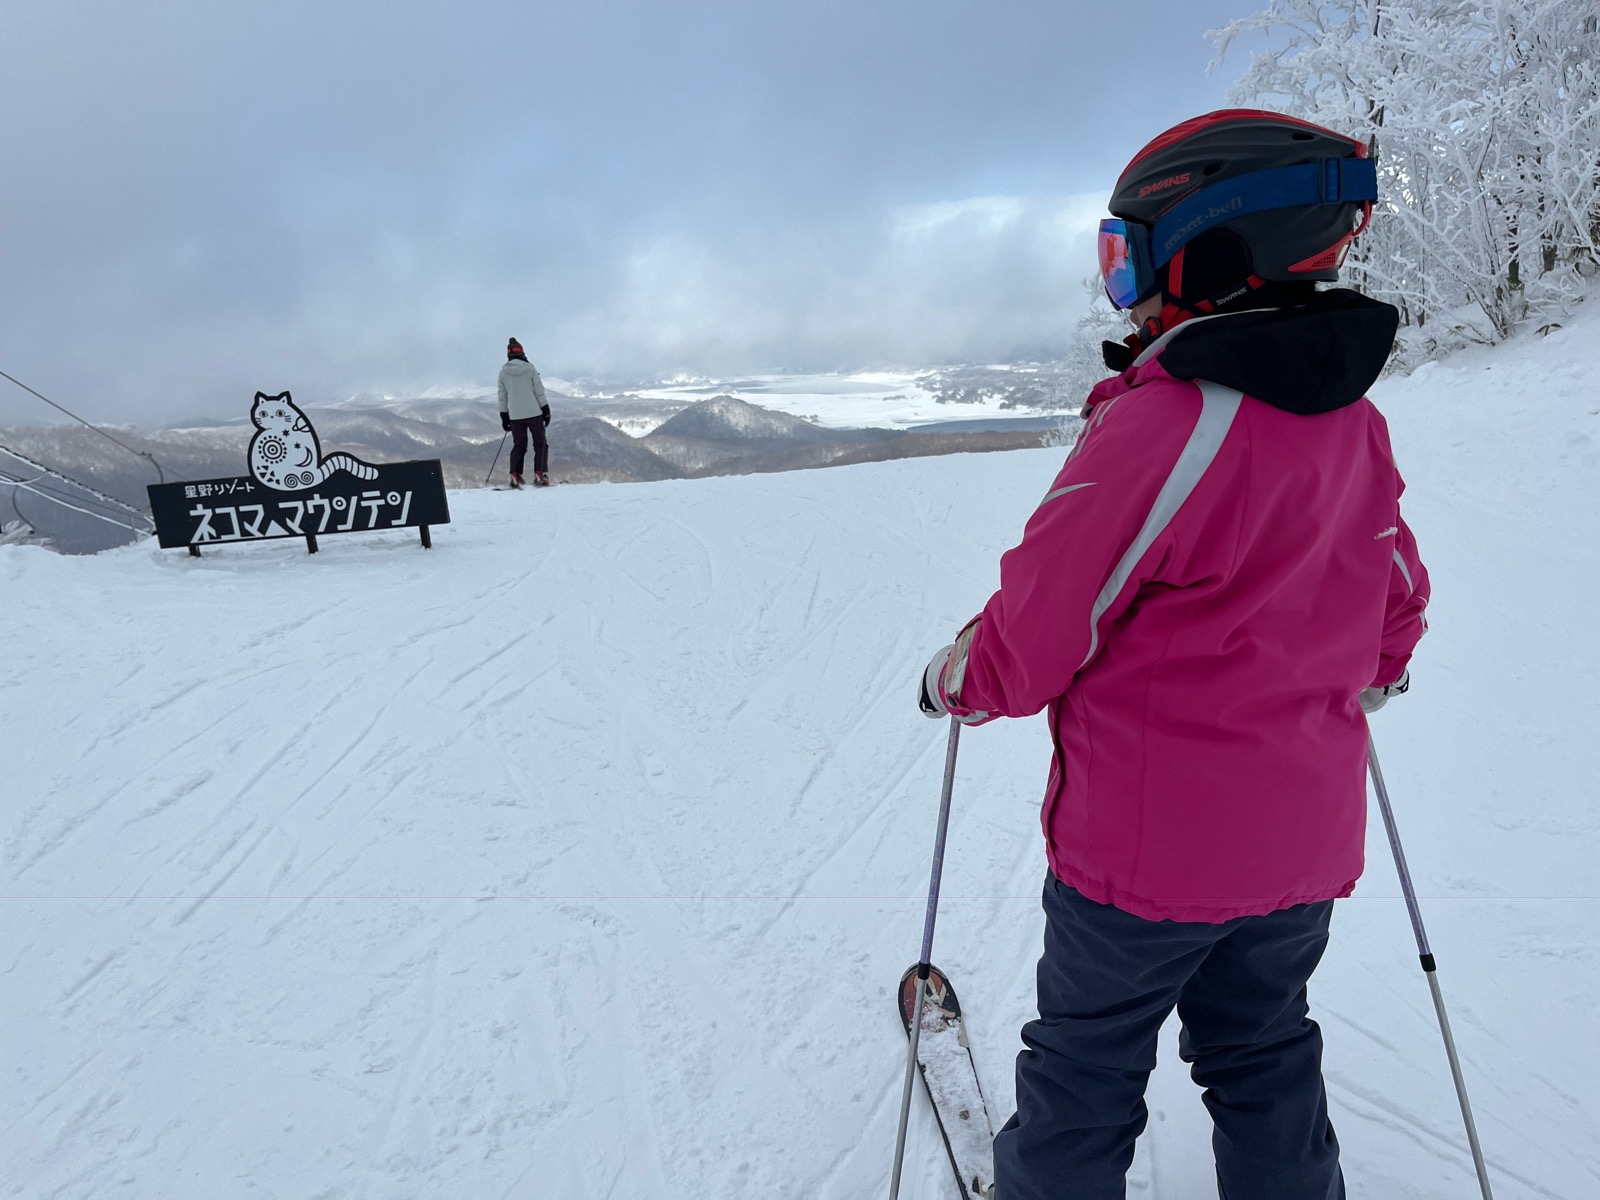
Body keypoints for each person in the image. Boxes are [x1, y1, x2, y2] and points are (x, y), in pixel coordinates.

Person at [916, 109, 1429, 1200]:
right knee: (1262, 1050)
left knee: (1089, 1062)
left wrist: (962, 676)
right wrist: (1374, 671)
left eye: (1128, 257)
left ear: (1209, 248)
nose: (1126, 291)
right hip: (1298, 849)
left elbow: (1045, 624)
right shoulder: (1351, 423)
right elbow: (1391, 591)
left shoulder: (1167, 424)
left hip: (1143, 864)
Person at [498, 337, 552, 487]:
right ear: (522, 352)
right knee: (540, 444)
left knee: (519, 445)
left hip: (515, 416)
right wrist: (545, 409)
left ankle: (515, 475)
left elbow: (502, 397)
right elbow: (538, 391)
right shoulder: (530, 369)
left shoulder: (503, 373)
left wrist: (504, 416)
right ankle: (540, 474)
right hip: (534, 413)